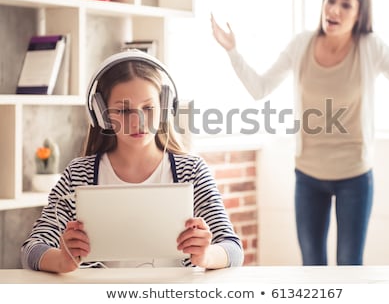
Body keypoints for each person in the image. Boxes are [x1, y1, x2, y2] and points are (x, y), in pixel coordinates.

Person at [211, 0, 389, 266]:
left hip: (354, 176)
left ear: (359, 14)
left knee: (348, 265)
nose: (334, 10)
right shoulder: (302, 44)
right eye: (331, 0)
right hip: (308, 175)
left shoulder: (370, 47)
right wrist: (232, 51)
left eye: (345, 5)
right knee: (312, 265)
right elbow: (260, 88)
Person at [21, 50, 244, 273]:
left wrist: (206, 255)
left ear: (165, 108)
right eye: (124, 110)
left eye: (148, 108)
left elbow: (233, 249)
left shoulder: (192, 171)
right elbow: (31, 249)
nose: (137, 121)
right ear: (102, 114)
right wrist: (62, 260)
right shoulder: (80, 174)